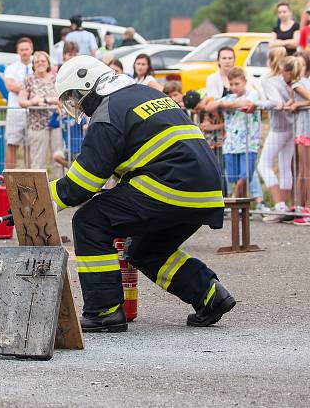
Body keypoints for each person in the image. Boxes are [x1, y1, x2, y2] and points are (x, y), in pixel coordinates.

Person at [51, 56, 233, 333]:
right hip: (205, 188)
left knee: (89, 221)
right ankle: (209, 295)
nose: (78, 105)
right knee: (145, 249)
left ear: (89, 86)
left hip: (171, 185)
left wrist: (37, 198)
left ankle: (104, 311)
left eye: (76, 97)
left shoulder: (107, 113)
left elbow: (81, 185)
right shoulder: (145, 94)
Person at [204, 67, 260, 198]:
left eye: (237, 84)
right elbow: (209, 106)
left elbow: (246, 103)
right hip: (231, 144)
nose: (234, 87)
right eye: (232, 84)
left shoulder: (252, 94)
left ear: (245, 81)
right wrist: (225, 103)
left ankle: (235, 199)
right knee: (234, 179)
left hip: (249, 143)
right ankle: (241, 205)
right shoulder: (228, 97)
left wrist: (224, 104)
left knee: (245, 175)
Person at [256, 48, 294, 222]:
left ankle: (279, 205)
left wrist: (257, 103)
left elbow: (274, 102)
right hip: (293, 125)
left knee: (263, 165)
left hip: (279, 127)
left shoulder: (268, 80)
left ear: (271, 60)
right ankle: (284, 206)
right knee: (286, 166)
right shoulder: (289, 77)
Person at [19, 51, 61, 170]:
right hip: (37, 124)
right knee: (38, 161)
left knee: (59, 160)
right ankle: (37, 188)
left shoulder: (56, 79)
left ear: (48, 63)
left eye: (43, 61)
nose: (40, 64)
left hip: (57, 123)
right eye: (37, 62)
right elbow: (22, 102)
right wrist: (33, 102)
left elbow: (63, 99)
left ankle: (62, 187)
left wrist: (46, 100)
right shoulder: (28, 79)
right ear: (33, 64)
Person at [284, 54, 310, 225]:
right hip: (302, 129)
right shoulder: (298, 85)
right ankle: (300, 204)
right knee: (300, 170)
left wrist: (296, 105)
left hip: (305, 130)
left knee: (305, 171)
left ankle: (307, 207)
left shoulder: (298, 84)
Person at [3, 37, 34, 169]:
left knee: (30, 147)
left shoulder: (37, 65)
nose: (24, 52)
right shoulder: (12, 68)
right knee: (12, 145)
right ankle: (8, 179)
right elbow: (10, 85)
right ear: (18, 51)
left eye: (26, 49)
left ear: (31, 50)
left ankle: (31, 178)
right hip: (15, 111)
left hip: (33, 112)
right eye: (21, 50)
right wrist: (29, 87)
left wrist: (20, 87)